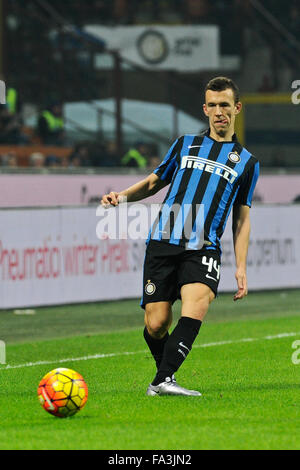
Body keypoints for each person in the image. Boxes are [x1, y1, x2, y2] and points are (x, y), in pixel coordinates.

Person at [101, 76, 259, 396]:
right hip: (164, 240)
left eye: (225, 105)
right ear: (205, 109)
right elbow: (153, 182)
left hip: (203, 246)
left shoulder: (247, 163)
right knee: (156, 324)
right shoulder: (185, 143)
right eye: (212, 105)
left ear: (237, 108)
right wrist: (122, 196)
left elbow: (242, 219)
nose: (219, 112)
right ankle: (164, 375)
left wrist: (241, 267)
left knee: (196, 303)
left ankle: (162, 380)